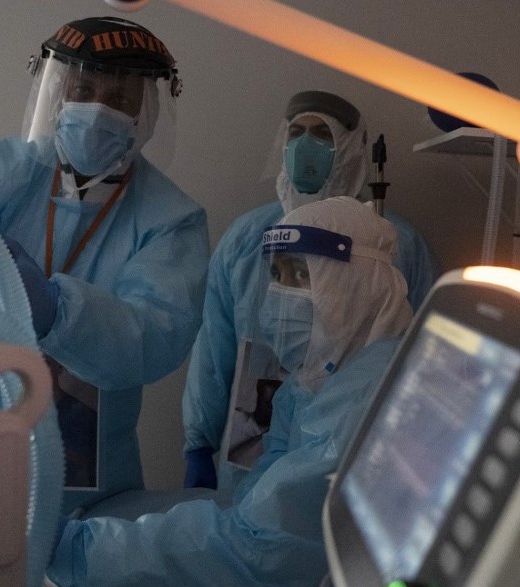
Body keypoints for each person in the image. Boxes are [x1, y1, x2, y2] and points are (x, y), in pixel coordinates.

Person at [0, 16, 209, 509]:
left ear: (147, 111)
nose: (98, 109)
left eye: (120, 97)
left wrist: (59, 310)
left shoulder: (170, 218)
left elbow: (155, 338)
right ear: (58, 92)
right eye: (83, 89)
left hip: (92, 488)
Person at [44, 196, 414, 587]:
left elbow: (261, 551)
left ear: (356, 282)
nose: (280, 295)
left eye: (299, 274)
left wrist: (82, 552)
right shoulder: (314, 386)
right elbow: (261, 504)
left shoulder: (367, 401)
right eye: (276, 274)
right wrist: (199, 441)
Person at [182, 90, 438, 490]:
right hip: (252, 444)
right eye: (296, 133)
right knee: (253, 514)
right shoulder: (247, 240)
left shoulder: (388, 244)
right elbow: (215, 347)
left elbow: (424, 353)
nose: (305, 146)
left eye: (322, 134)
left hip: (352, 448)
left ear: (351, 148)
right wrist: (199, 441)